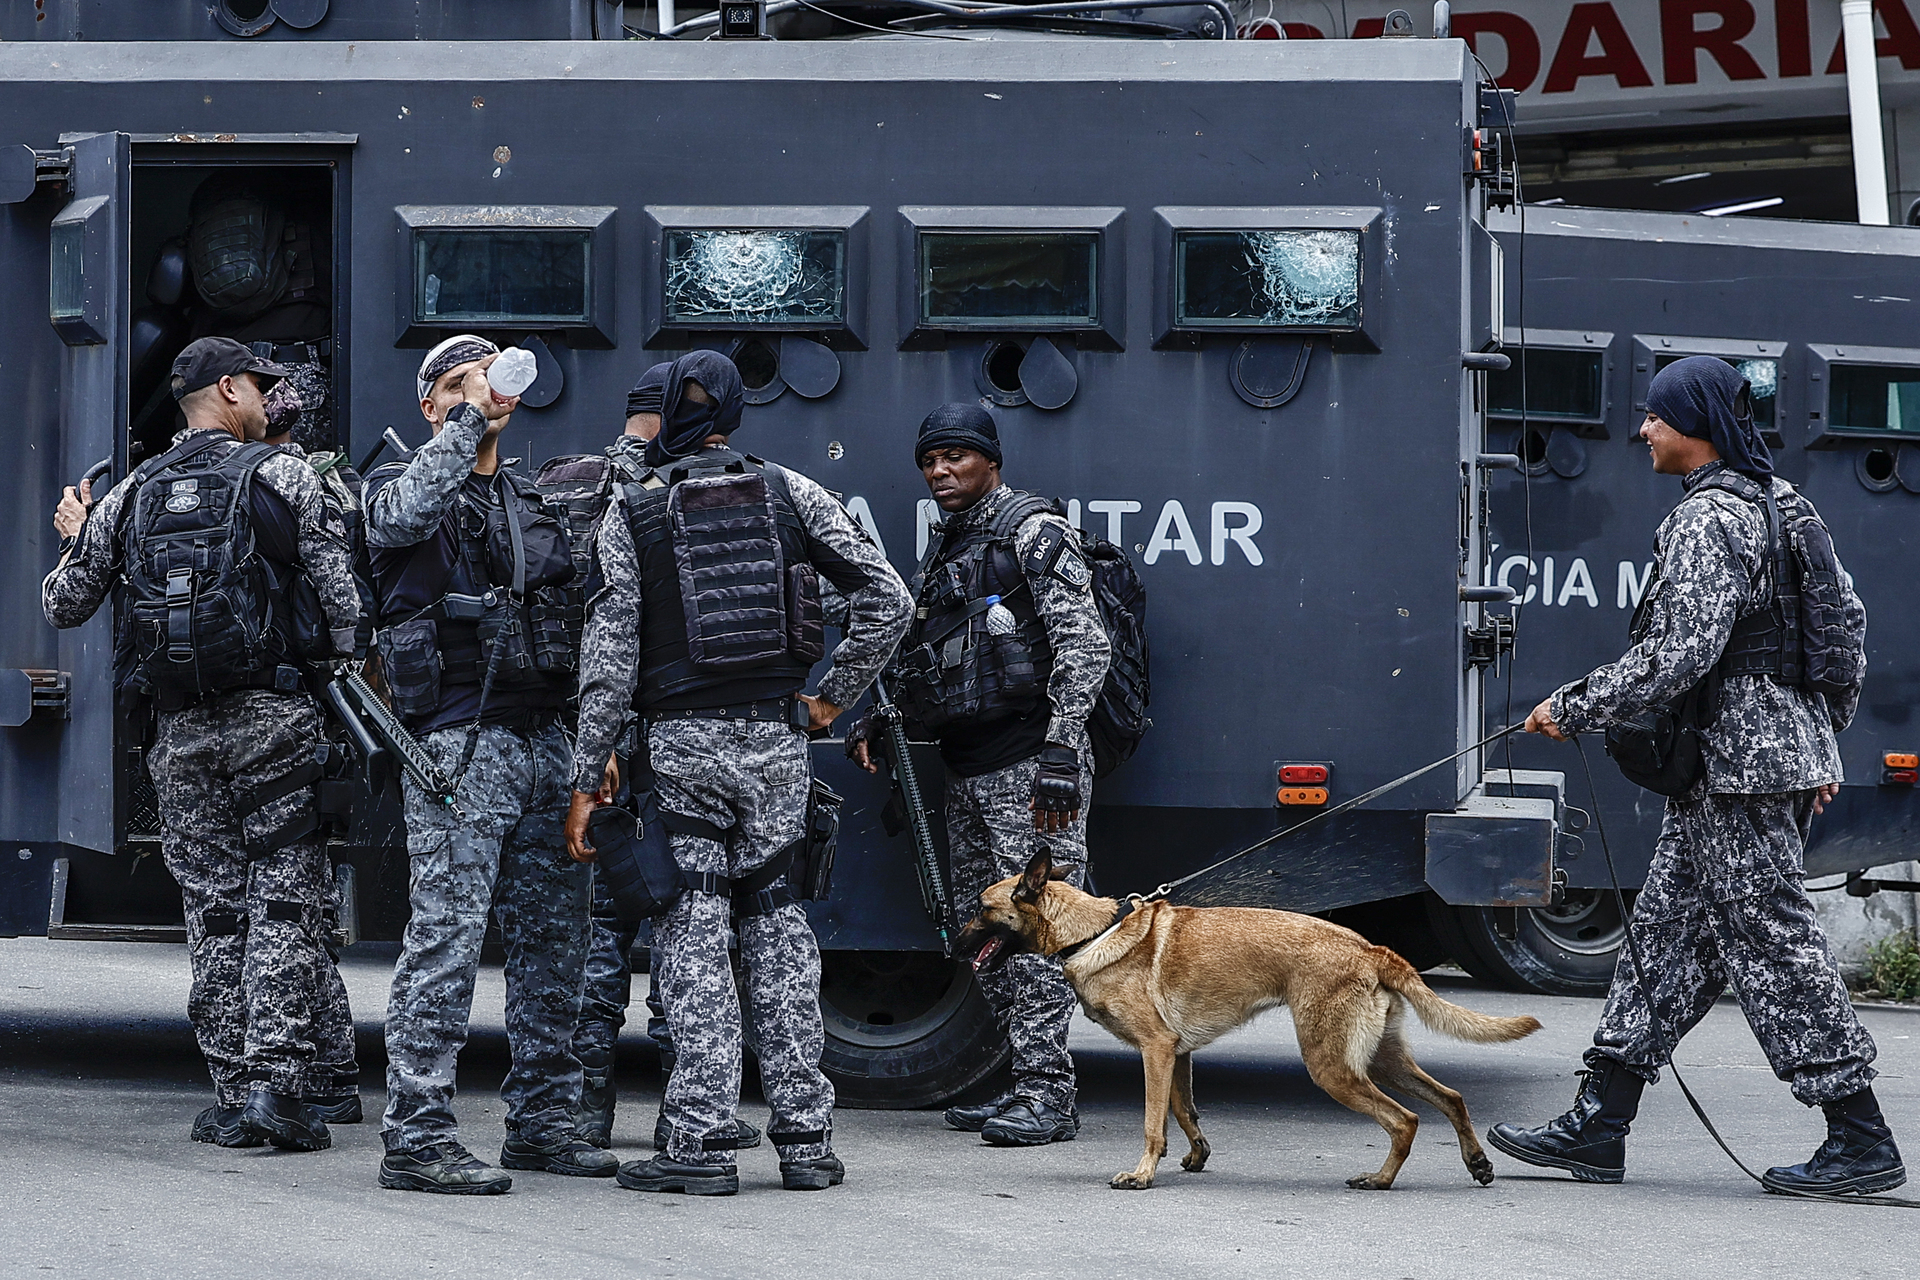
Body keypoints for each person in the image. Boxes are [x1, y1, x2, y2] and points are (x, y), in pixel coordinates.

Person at [1489, 356, 1903, 1197]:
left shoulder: (1707, 518)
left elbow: (1683, 651)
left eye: (1657, 416)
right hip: (1748, 768)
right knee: (1665, 939)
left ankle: (1861, 1138)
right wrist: (1815, 742)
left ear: (1697, 425)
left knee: (1774, 946)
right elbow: (1846, 630)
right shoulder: (1786, 505)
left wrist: (1575, 705)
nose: (1642, 429)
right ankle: (1600, 1124)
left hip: (1736, 771)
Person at [566, 350, 911, 1196]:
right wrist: (829, 699)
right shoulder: (793, 492)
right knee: (780, 933)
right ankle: (806, 1140)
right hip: (775, 745)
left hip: (681, 750)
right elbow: (890, 599)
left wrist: (586, 773)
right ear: (732, 411)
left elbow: (608, 660)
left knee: (693, 940)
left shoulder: (634, 510)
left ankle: (700, 1144)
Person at [43, 336, 360, 1153]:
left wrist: (78, 536)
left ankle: (231, 1095)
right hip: (275, 721)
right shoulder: (283, 475)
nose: (267, 397)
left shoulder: (134, 491)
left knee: (215, 910)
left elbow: (64, 604)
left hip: (180, 731)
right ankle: (278, 1090)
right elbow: (346, 606)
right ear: (227, 390)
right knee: (283, 902)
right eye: (258, 384)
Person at [363, 334, 612, 1194]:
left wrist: (593, 745)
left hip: (544, 740)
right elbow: (401, 523)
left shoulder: (527, 499)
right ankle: (417, 1136)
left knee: (557, 946)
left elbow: (577, 620)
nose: (484, 393)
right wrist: (466, 420)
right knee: (447, 941)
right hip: (458, 747)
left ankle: (543, 1124)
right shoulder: (395, 485)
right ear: (429, 404)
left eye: (490, 381)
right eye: (460, 385)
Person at [847, 403, 1110, 1148]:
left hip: (1030, 764)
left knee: (1038, 932)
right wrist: (882, 718)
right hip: (969, 766)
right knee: (984, 931)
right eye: (929, 461)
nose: (940, 472)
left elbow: (1084, 644)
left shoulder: (1033, 531)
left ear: (991, 460)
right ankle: (1023, 1080)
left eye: (955, 457)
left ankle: (1048, 1097)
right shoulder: (950, 543)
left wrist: (1061, 751)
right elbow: (931, 651)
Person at [259, 375, 366, 1126]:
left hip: (289, 705)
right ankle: (332, 1071)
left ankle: (316, 1072)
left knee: (286, 909)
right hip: (319, 707)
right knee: (307, 906)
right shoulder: (334, 486)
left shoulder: (268, 483)